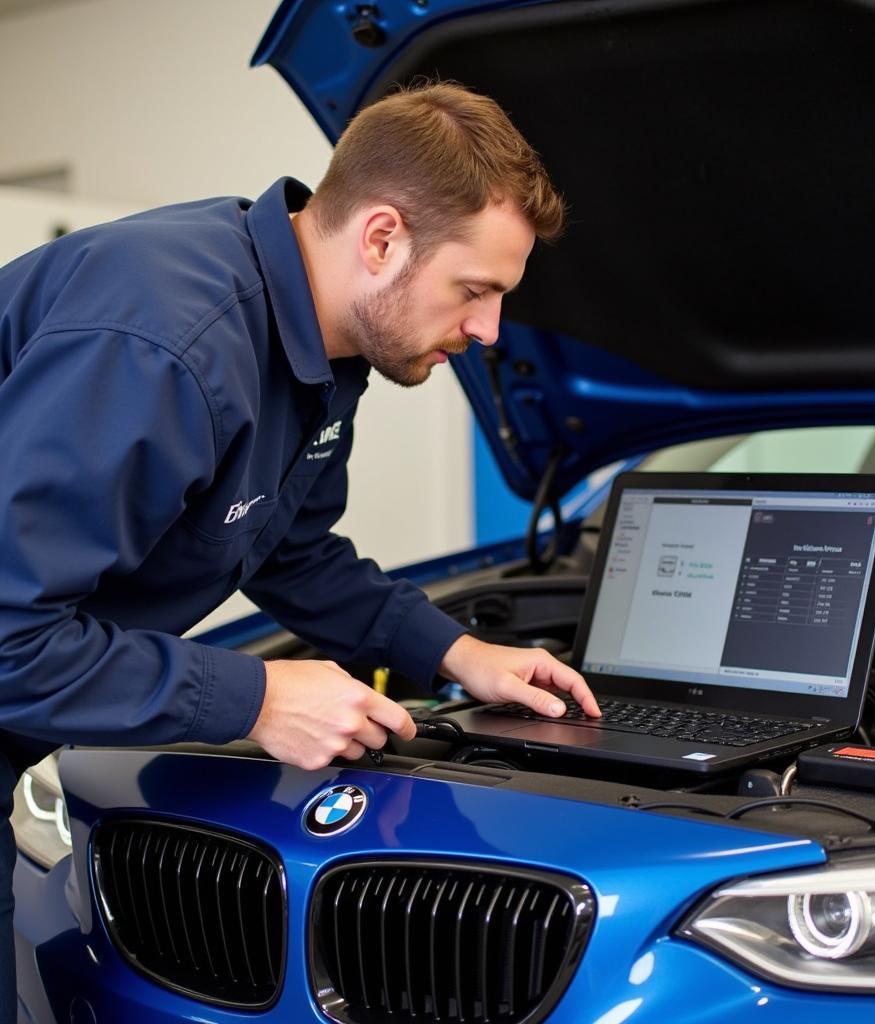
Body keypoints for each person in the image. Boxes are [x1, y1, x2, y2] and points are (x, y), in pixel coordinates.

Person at [0, 81, 600, 1017]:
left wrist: (457, 653)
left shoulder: (326, 353)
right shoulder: (166, 345)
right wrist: (258, 698)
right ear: (382, 239)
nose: (487, 332)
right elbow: (3, 636)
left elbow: (292, 551)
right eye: (475, 290)